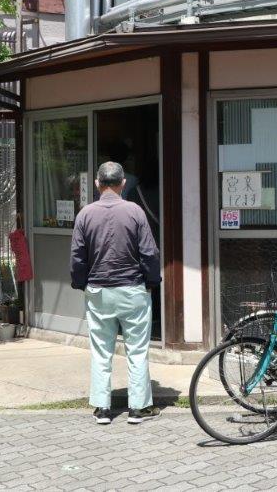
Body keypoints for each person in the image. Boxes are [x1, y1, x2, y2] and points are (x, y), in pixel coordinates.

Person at [70, 161, 162, 425]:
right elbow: (149, 252)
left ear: (97, 184)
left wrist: (81, 284)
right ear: (123, 184)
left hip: (99, 291)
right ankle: (138, 409)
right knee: (137, 351)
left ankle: (102, 409)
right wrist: (151, 281)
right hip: (132, 290)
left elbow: (77, 257)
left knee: (101, 352)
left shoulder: (85, 214)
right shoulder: (135, 212)